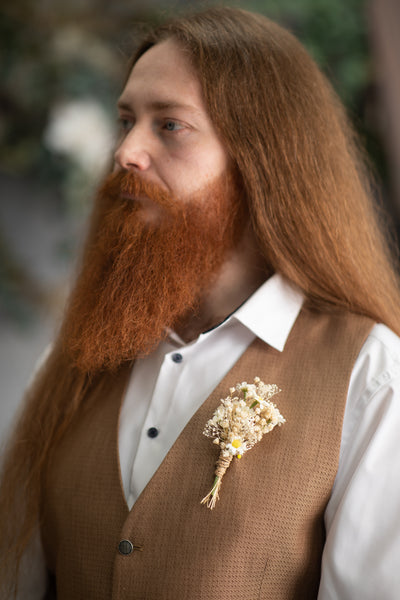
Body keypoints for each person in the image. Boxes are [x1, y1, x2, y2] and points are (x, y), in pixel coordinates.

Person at [1, 6, 400, 599]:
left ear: (263, 160)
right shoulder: (72, 362)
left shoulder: (369, 372)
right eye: (126, 120)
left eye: (169, 125)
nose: (126, 152)